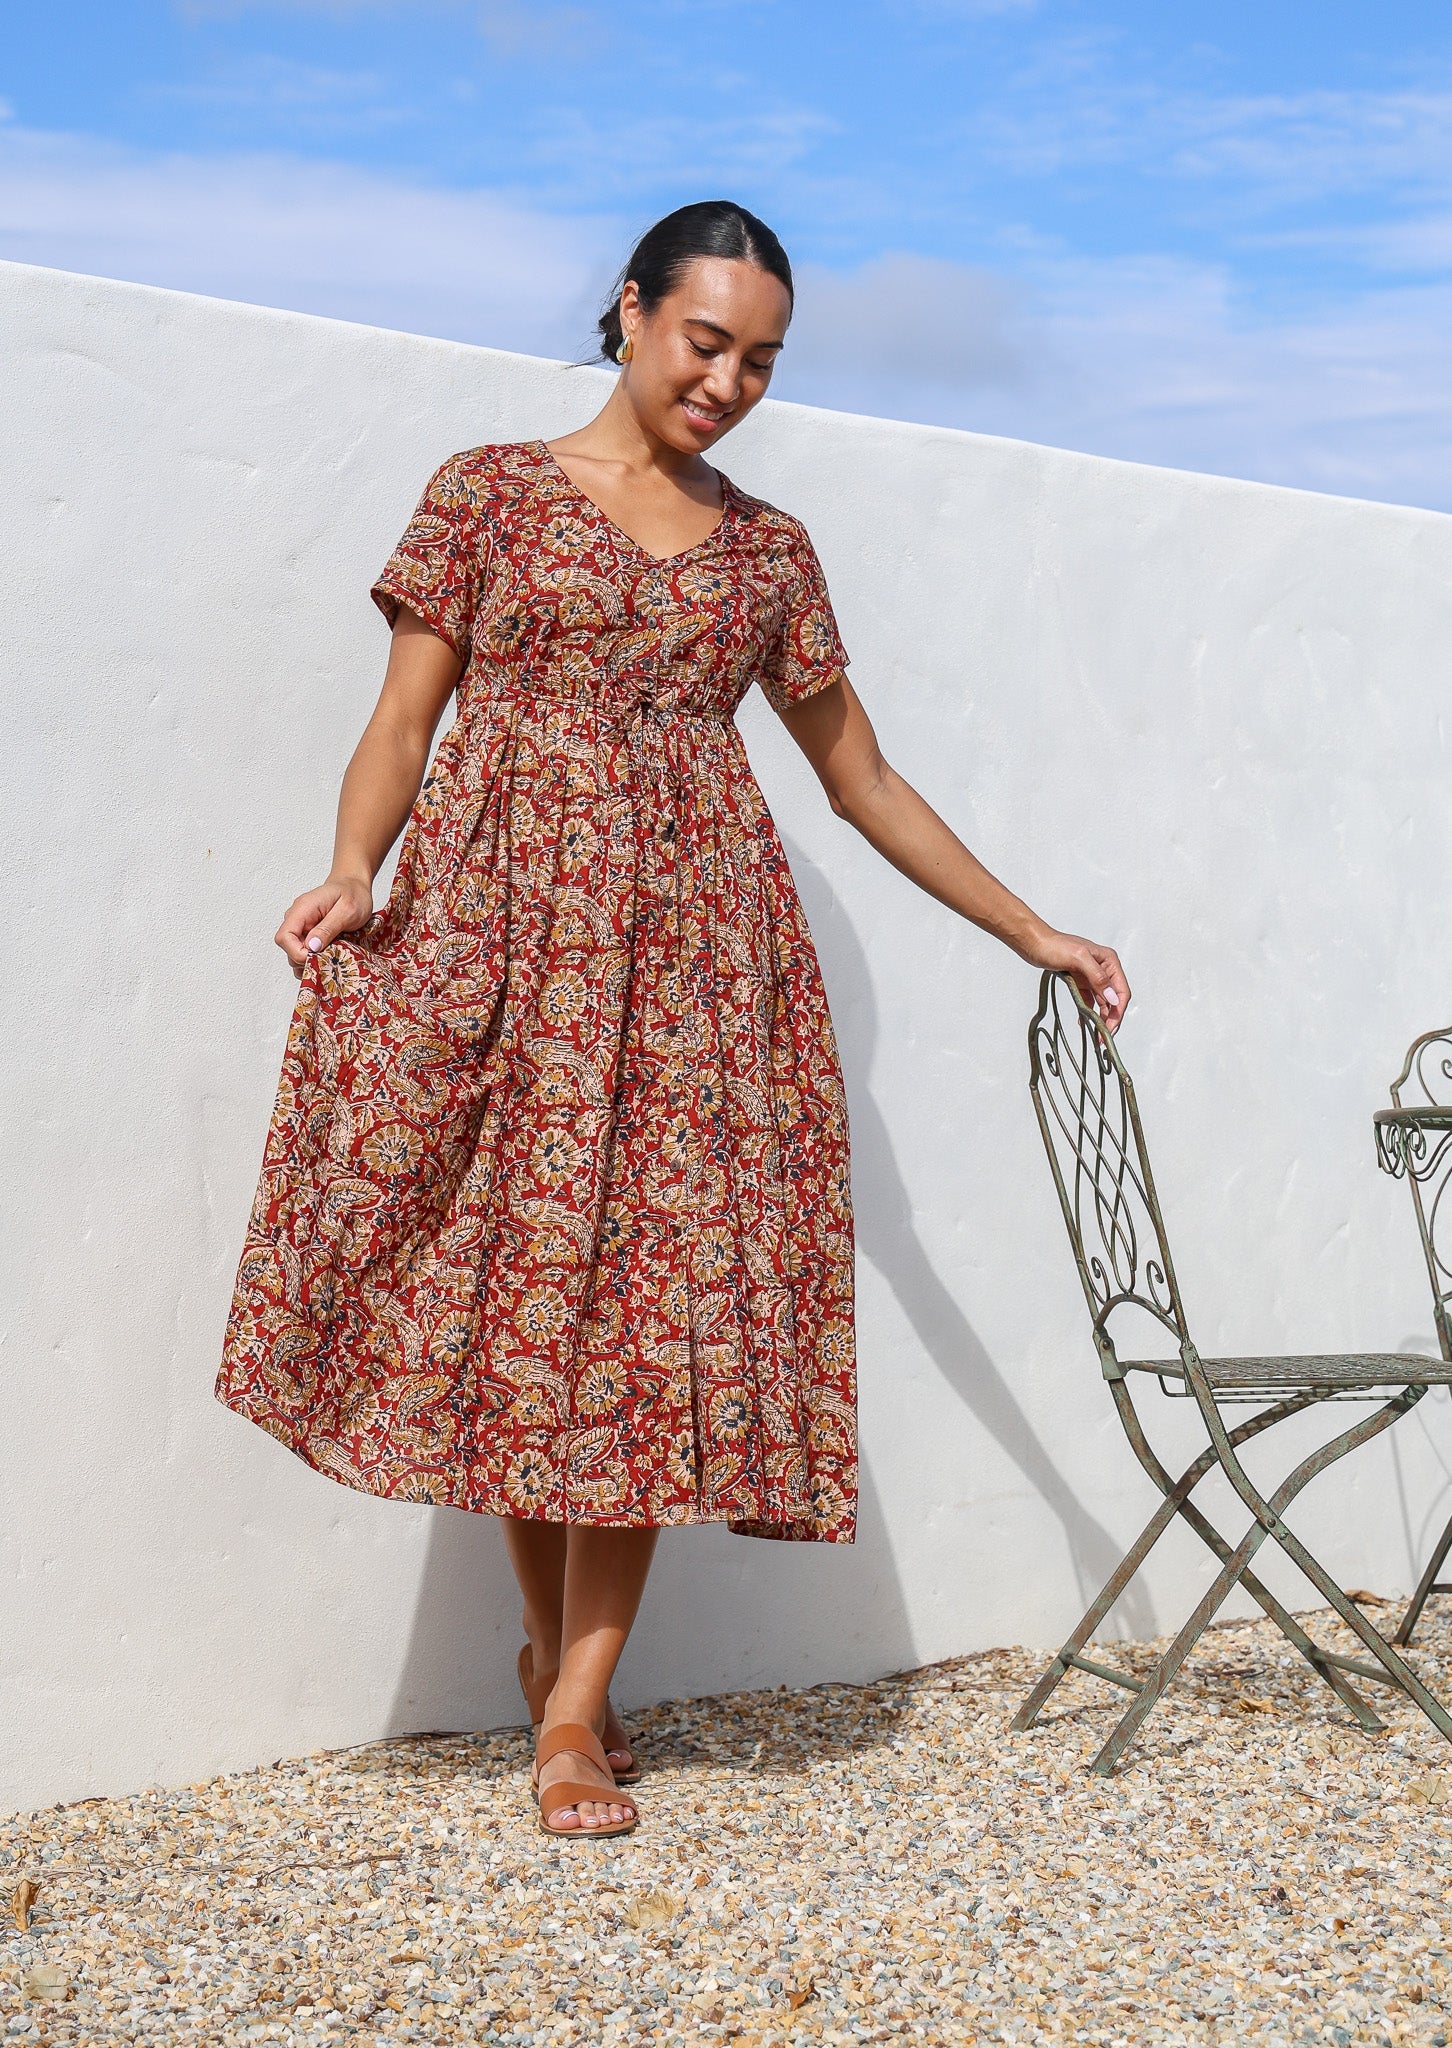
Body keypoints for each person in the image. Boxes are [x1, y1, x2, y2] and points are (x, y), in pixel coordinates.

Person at [215, 199, 1129, 1841]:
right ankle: (552, 1661)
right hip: (505, 947)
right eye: (707, 341)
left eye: (763, 359)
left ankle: (572, 1711)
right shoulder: (485, 492)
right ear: (629, 312)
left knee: (646, 1320)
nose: (730, 381)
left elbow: (858, 780)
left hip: (701, 970)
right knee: (516, 1309)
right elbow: (402, 715)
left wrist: (1032, 928)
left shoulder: (771, 552)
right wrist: (353, 869)